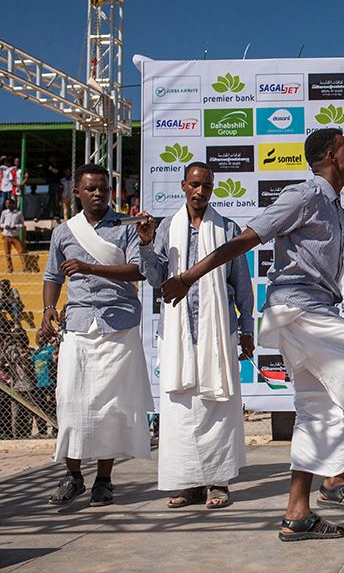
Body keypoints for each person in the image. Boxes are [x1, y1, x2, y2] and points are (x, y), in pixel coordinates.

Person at [159, 129, 344, 542]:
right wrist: (187, 277)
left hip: (316, 310)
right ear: (330, 156)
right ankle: (337, 479)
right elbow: (247, 239)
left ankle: (297, 513)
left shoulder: (339, 212)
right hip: (300, 311)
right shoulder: (304, 195)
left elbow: (333, 265)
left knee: (314, 412)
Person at [138, 163, 255, 509]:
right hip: (176, 335)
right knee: (180, 411)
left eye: (206, 186)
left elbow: (242, 287)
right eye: (194, 184)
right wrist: (145, 245)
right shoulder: (164, 230)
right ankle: (187, 483)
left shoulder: (228, 229)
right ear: (183, 186)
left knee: (216, 407)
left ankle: (217, 483)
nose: (200, 191)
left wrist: (247, 329)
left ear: (213, 188)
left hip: (218, 333)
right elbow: (155, 278)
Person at [40, 163, 152, 507]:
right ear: (77, 192)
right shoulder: (63, 232)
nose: (98, 194)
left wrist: (89, 267)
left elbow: (138, 270)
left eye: (104, 188)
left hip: (119, 324)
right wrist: (48, 310)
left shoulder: (126, 227)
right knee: (71, 404)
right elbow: (52, 277)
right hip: (77, 325)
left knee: (112, 409)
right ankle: (73, 476)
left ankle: (104, 480)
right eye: (91, 189)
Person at [1, 198, 28, 273]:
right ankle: (10, 268)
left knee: (21, 251)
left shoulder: (18, 213)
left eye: (8, 203)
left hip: (15, 235)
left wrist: (16, 226)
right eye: (6, 203)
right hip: (6, 235)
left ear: (12, 204)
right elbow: (1, 223)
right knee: (7, 252)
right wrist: (5, 226)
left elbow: (22, 223)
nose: (6, 205)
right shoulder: (4, 213)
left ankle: (25, 267)